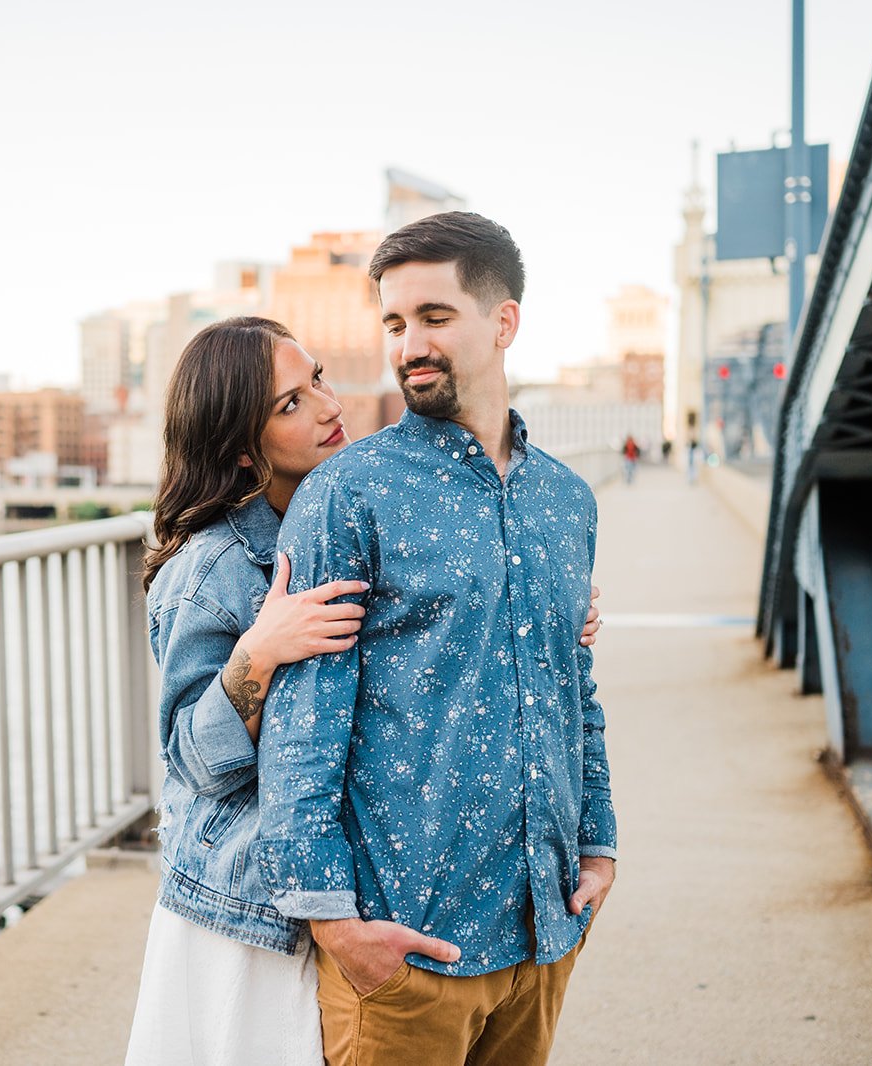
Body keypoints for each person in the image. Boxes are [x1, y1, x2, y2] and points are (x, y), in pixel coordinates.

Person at [125, 316, 603, 1065]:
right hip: (250, 912)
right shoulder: (216, 567)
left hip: (337, 887)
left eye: (316, 378)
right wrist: (258, 653)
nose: (325, 405)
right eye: (290, 404)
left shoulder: (350, 514)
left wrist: (535, 605)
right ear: (242, 448)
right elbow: (191, 759)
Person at [258, 212, 617, 1066]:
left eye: (434, 317)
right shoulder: (349, 495)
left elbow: (577, 687)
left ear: (504, 322)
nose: (408, 343)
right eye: (394, 323)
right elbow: (301, 728)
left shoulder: (566, 501)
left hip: (542, 932)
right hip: (406, 951)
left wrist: (599, 845)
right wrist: (335, 924)